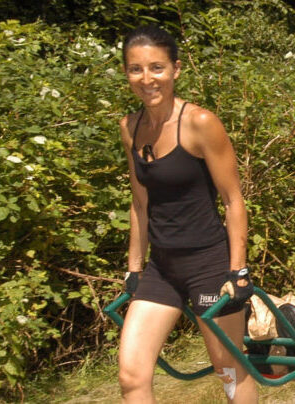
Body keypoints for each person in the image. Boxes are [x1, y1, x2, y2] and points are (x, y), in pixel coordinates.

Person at [116, 25, 256, 403]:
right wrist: (134, 267)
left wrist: (238, 269)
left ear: (176, 69)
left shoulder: (200, 124)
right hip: (162, 268)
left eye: (156, 67)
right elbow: (140, 202)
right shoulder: (129, 127)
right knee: (132, 374)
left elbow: (233, 200)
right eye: (135, 69)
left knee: (228, 368)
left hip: (209, 264)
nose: (146, 79)